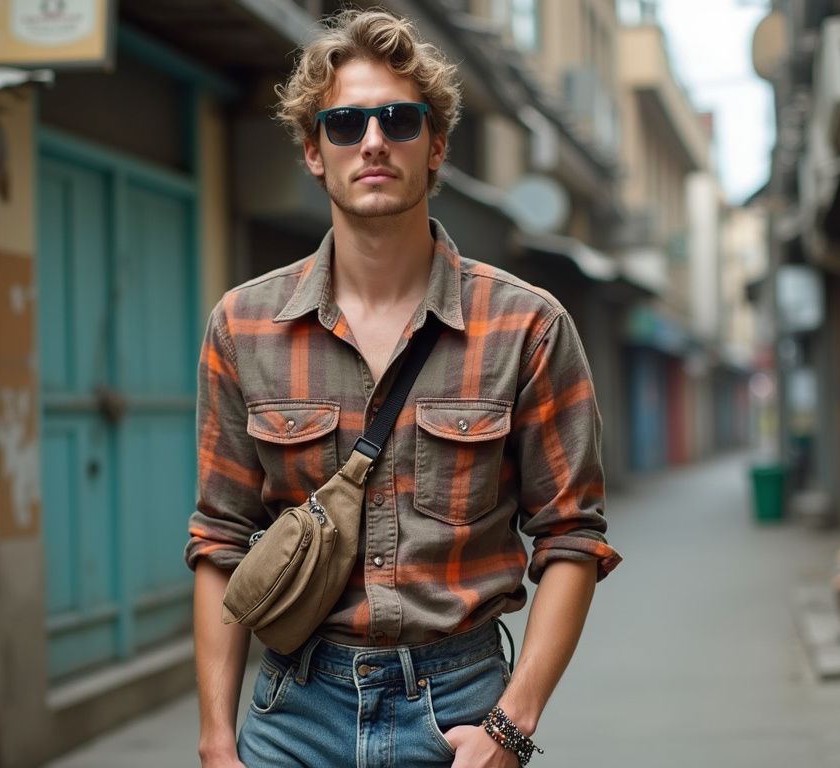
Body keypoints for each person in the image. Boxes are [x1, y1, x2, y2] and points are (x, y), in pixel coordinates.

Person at [185, 9, 621, 767]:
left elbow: (571, 538)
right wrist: (219, 744)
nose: (374, 140)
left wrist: (510, 729)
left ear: (437, 145)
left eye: (398, 118)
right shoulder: (243, 325)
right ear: (315, 153)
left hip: (460, 707)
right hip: (293, 709)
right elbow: (220, 540)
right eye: (347, 123)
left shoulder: (528, 326)